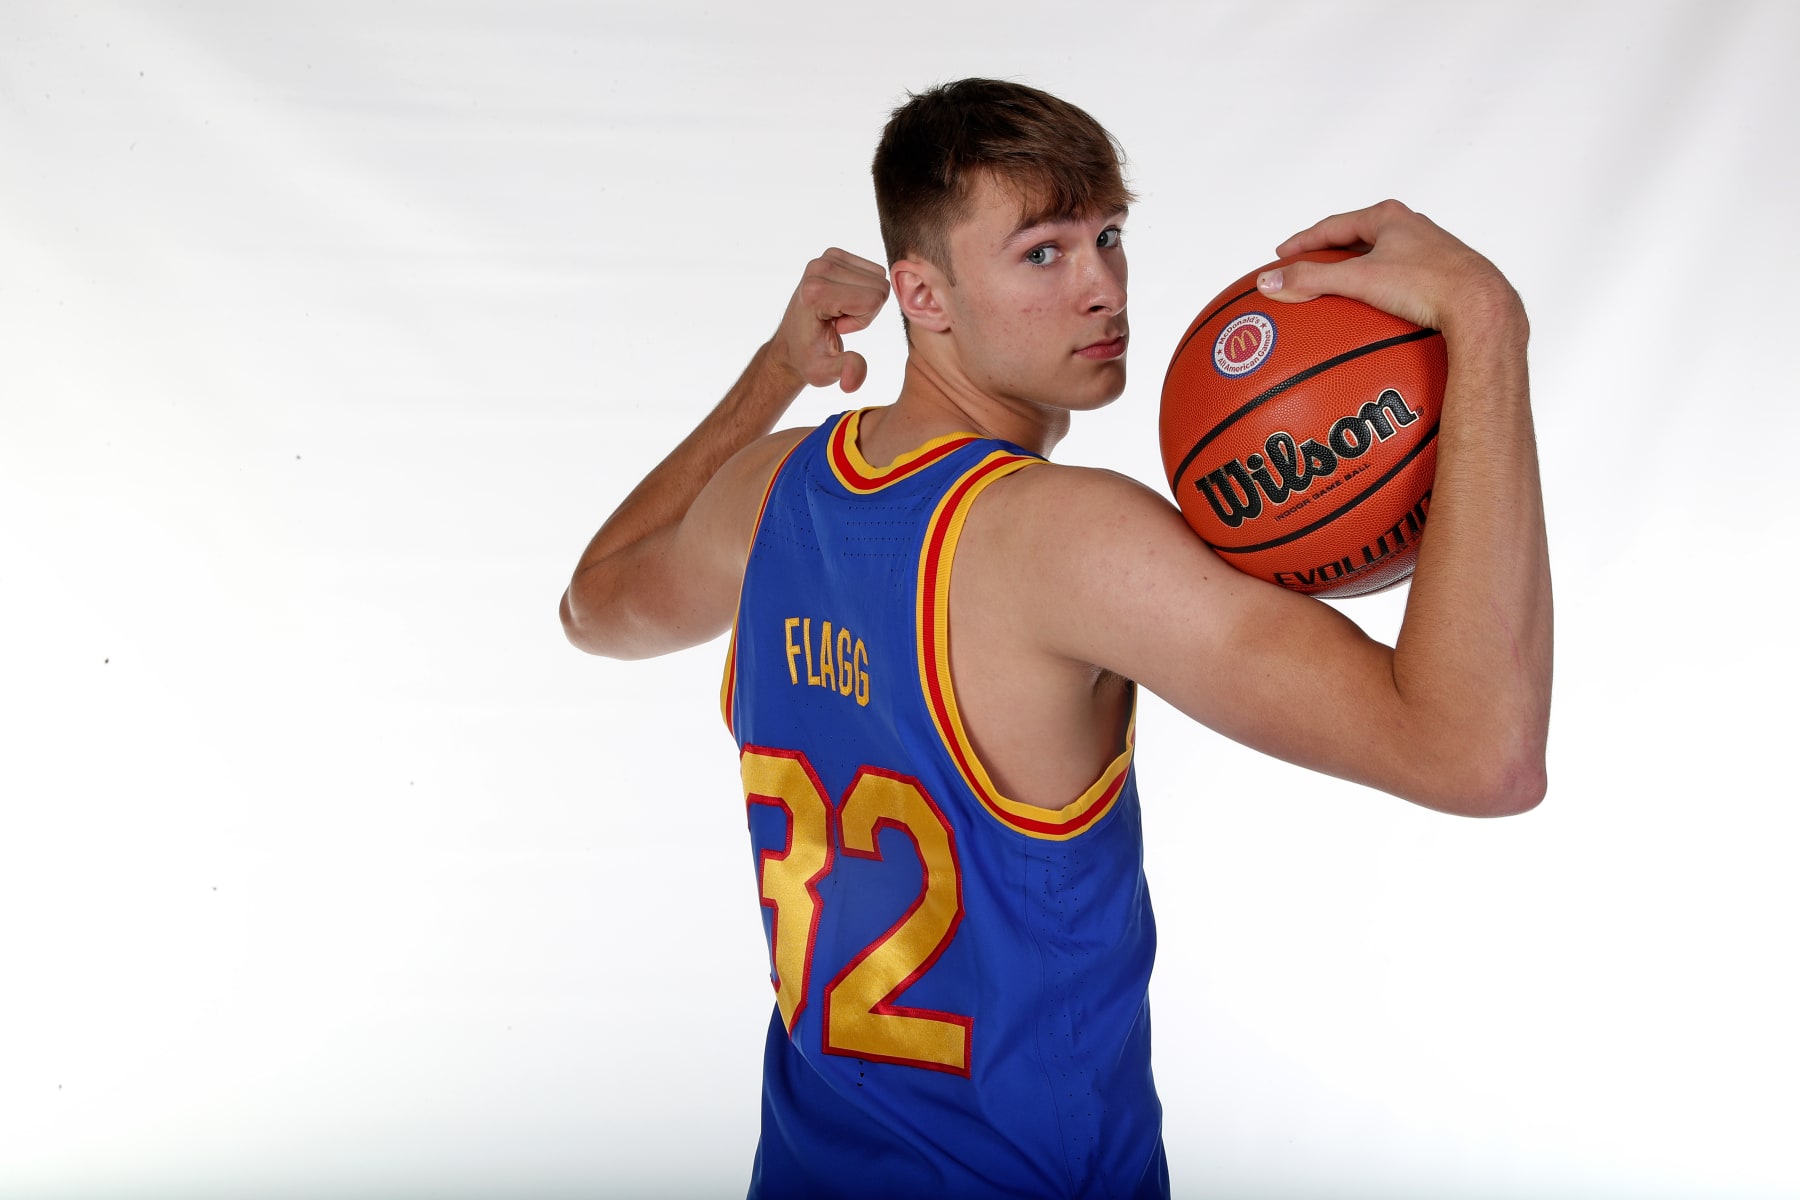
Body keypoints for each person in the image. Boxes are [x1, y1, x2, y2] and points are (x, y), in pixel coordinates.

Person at [560, 78, 1550, 1199]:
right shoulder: (1065, 537)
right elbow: (1480, 754)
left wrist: (779, 370)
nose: (1105, 288)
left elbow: (596, 607)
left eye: (1109, 236)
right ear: (921, 294)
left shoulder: (772, 489)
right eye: (1043, 252)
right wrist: (1485, 321)